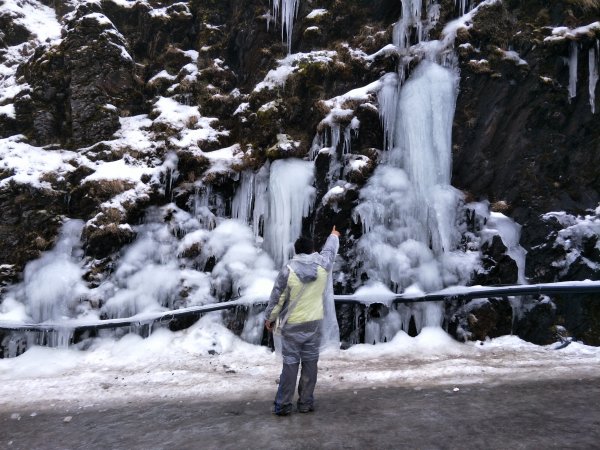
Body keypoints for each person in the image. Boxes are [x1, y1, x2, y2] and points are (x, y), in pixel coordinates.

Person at [264, 226, 340, 416]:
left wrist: (269, 319)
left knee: (290, 364)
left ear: (296, 251)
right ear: (313, 249)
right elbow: (329, 252)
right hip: (314, 323)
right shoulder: (323, 266)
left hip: (292, 326)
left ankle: (283, 405)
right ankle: (305, 402)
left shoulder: (288, 270)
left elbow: (277, 298)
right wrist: (333, 235)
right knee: (310, 363)